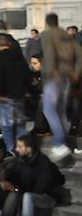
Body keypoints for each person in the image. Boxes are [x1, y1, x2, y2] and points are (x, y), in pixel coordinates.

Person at [0, 134, 66, 216]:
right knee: (14, 194)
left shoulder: (43, 162)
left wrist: (18, 189)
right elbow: (16, 179)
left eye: (20, 147)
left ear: (29, 149)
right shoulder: (21, 161)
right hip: (29, 192)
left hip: (48, 196)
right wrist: (9, 185)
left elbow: (40, 188)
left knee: (27, 196)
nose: (17, 149)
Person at [40, 13, 82, 162]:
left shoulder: (47, 34)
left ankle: (59, 143)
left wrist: (53, 70)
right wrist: (76, 71)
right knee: (61, 111)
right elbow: (80, 54)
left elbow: (49, 53)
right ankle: (66, 143)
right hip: (68, 76)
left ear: (46, 23)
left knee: (49, 109)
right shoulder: (66, 35)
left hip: (54, 76)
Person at [0, 32, 30, 152]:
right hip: (19, 95)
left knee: (6, 126)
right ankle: (24, 149)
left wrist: (0, 93)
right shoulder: (19, 56)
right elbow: (27, 74)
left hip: (5, 96)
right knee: (20, 124)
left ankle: (11, 149)